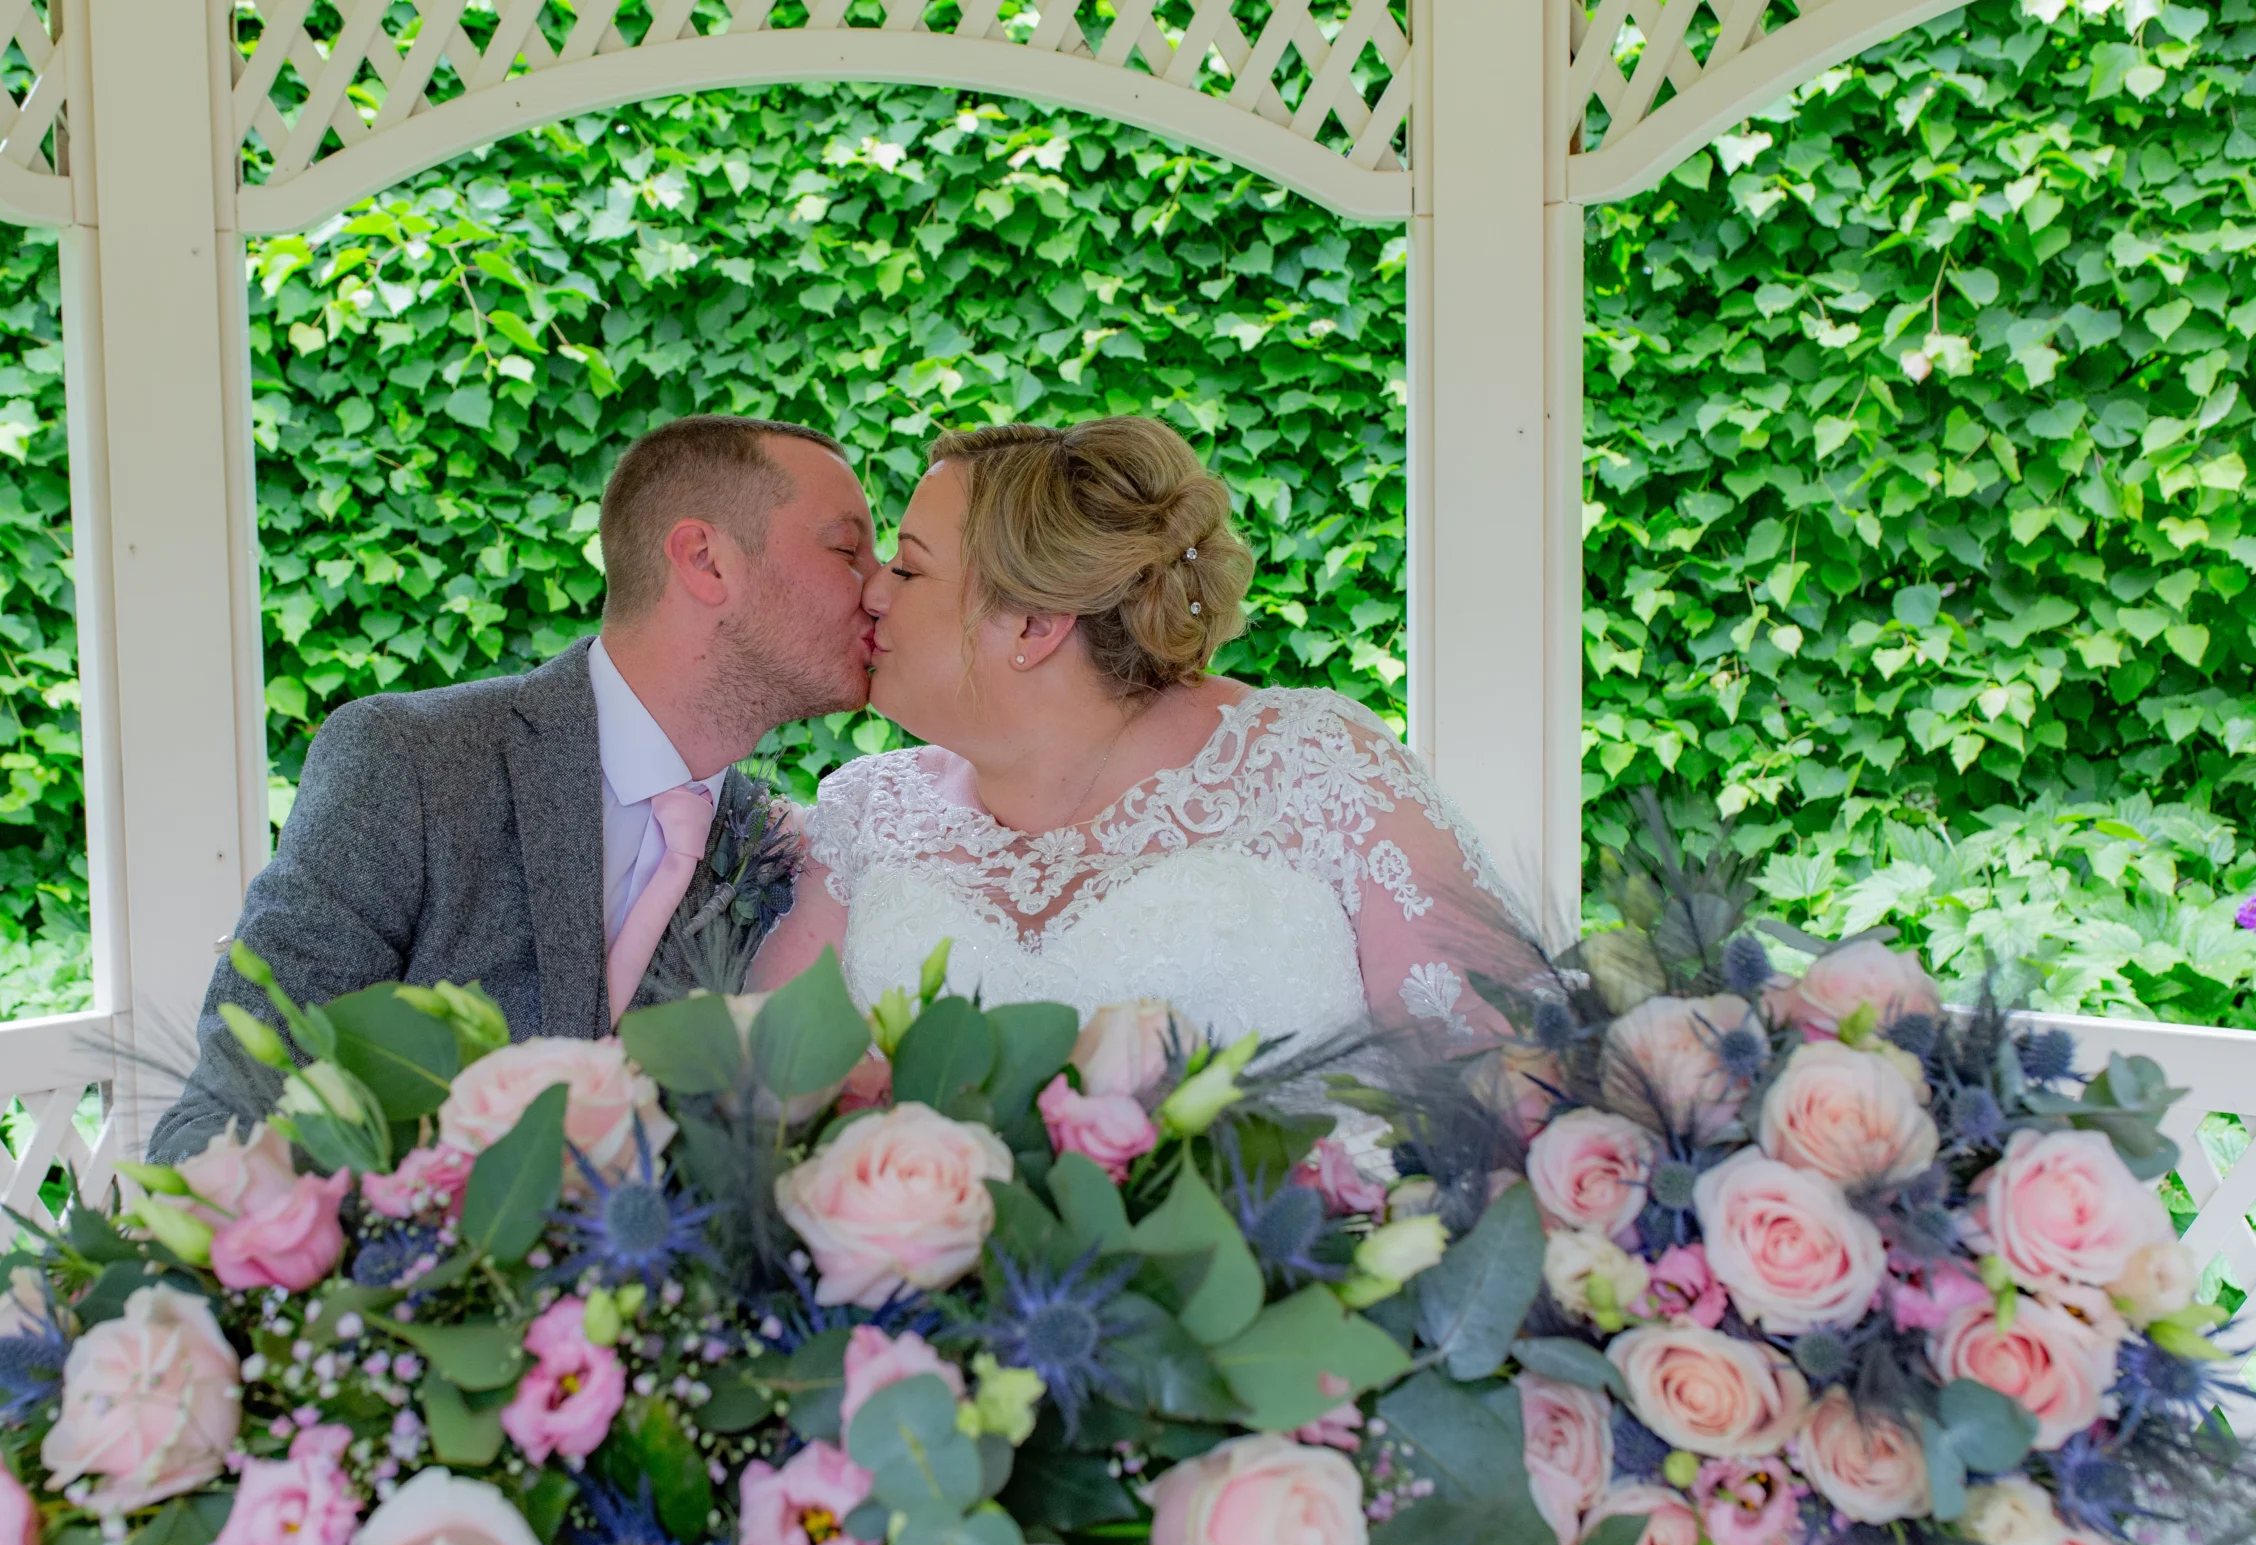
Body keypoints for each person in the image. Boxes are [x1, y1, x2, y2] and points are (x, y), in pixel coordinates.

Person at [148, 414, 876, 1160]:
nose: (881, 591)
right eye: (850, 550)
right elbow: (228, 1115)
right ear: (705, 561)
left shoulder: (788, 853)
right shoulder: (412, 765)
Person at [752, 416, 1531, 1058]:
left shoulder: (1319, 768)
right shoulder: (868, 812)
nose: (873, 592)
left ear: (1034, 624)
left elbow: (1504, 1070)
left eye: (910, 570)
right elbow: (769, 1091)